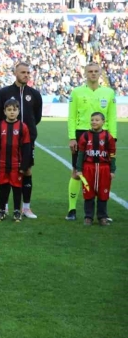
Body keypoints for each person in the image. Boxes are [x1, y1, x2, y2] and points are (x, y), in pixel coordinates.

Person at [66, 62, 118, 221]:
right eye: (90, 71)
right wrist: (72, 137)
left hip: (104, 136)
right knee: (77, 172)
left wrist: (113, 137)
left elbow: (112, 116)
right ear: (85, 73)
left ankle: (102, 213)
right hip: (82, 133)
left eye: (96, 71)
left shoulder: (109, 92)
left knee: (104, 172)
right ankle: (72, 209)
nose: (93, 74)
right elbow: (72, 116)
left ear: (100, 73)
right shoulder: (77, 92)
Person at [0, 62, 42, 219]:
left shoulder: (34, 94)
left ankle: (26, 208)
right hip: (6, 141)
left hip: (27, 140)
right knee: (6, 170)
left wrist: (28, 131)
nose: (26, 75)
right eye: (22, 72)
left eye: (28, 72)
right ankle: (5, 208)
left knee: (26, 170)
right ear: (15, 73)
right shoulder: (4, 93)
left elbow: (37, 117)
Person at [0, 98, 32, 222]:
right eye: (9, 110)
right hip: (3, 164)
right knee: (3, 187)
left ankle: (16, 211)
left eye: (14, 110)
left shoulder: (23, 127)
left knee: (17, 188)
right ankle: (2, 210)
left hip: (17, 164)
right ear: (4, 111)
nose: (12, 112)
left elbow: (26, 148)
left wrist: (24, 165)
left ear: (19, 111)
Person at [76, 112, 117, 226]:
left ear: (103, 122)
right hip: (88, 168)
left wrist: (112, 170)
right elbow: (80, 153)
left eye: (97, 120)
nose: (94, 122)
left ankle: (102, 217)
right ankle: (88, 217)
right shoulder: (85, 136)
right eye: (92, 119)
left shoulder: (108, 137)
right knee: (88, 192)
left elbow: (112, 154)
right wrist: (79, 168)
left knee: (103, 193)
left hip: (104, 168)